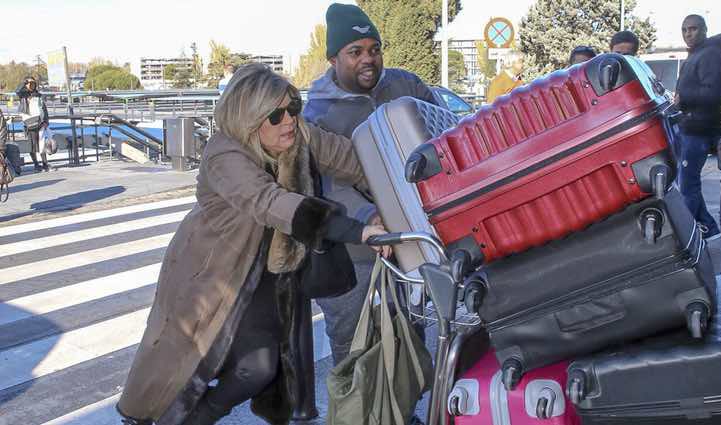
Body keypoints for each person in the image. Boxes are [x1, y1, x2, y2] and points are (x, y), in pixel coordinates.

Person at [116, 63, 389, 425]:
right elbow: (268, 201)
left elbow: (354, 161)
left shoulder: (299, 135)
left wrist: (393, 196)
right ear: (249, 119)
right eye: (275, 115)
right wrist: (356, 230)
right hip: (214, 275)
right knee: (190, 369)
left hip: (269, 273)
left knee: (258, 368)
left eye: (292, 108)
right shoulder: (224, 154)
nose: (289, 119)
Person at [303, 2, 439, 366]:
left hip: (412, 240)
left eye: (374, 50)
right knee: (353, 346)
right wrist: (369, 217)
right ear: (333, 58)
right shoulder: (317, 114)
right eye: (355, 52)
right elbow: (326, 184)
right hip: (354, 253)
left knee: (409, 336)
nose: (368, 59)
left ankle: (404, 412)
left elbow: (443, 132)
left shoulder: (406, 85)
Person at [674, 15, 721, 239]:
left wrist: (683, 98)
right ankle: (707, 228)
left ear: (705, 30)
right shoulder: (697, 54)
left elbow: (716, 94)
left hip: (700, 129)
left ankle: (694, 233)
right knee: (686, 183)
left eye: (693, 29)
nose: (688, 34)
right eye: (684, 29)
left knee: (688, 185)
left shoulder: (711, 54)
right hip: (691, 126)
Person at [16, 76, 49, 172]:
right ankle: (36, 164)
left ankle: (45, 164)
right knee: (32, 145)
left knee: (42, 143)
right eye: (29, 83)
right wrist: (25, 82)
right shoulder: (23, 95)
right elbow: (17, 90)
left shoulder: (38, 95)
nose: (31, 85)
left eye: (33, 83)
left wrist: (46, 121)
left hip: (40, 122)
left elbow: (44, 109)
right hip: (29, 123)